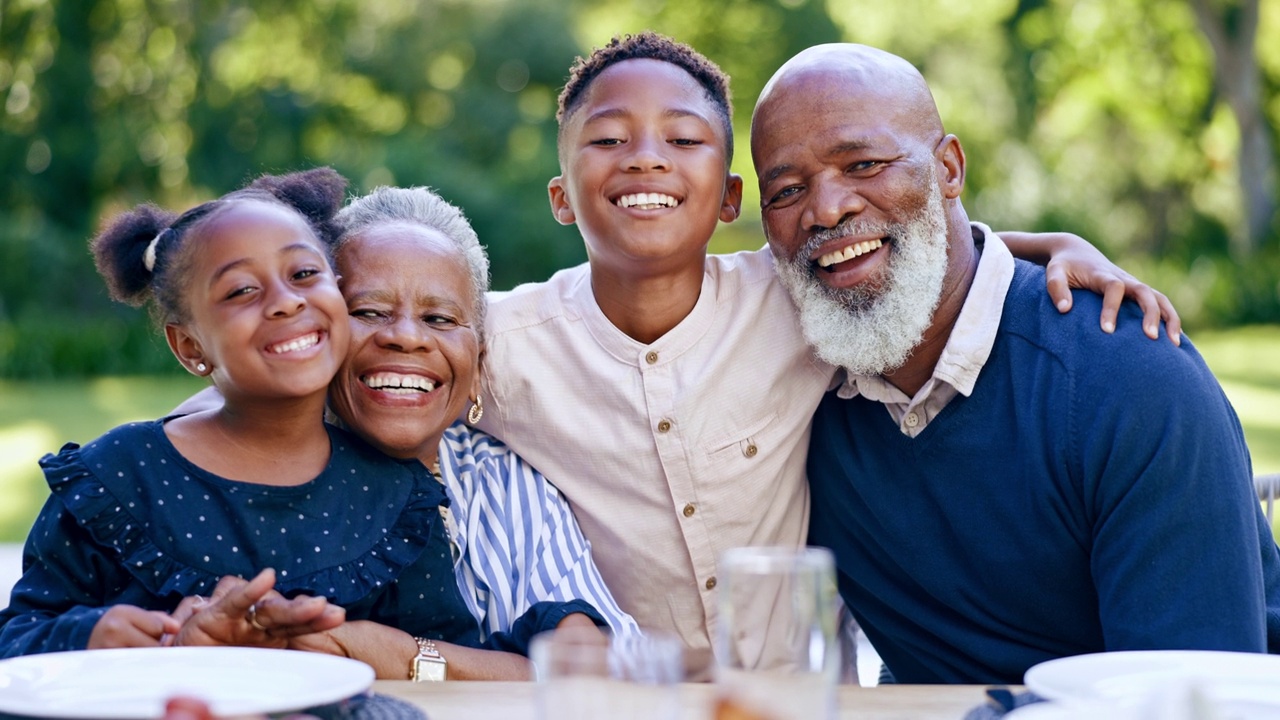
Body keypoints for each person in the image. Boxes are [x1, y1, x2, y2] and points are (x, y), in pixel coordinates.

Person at [474, 31, 1182, 679]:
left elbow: (909, 254)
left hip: (807, 702)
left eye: (684, 138)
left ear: (729, 200)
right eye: (608, 140)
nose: (647, 157)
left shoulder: (792, 305)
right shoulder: (500, 350)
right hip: (633, 703)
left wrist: (1055, 246)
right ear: (561, 198)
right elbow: (408, 336)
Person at [749, 42, 1280, 684]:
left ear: (949, 169)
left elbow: (1193, 699)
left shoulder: (1128, 381)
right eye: (786, 190)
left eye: (863, 163)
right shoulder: (786, 380)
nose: (826, 209)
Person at [0, 168, 604, 677]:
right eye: (240, 291)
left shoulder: (395, 499)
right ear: (189, 348)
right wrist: (100, 639)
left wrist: (562, 626)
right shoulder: (118, 474)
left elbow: (447, 662)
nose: (285, 301)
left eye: (305, 274)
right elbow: (19, 637)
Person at [281, 183, 639, 679]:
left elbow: (606, 668)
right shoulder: (263, 469)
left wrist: (402, 657)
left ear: (478, 364)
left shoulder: (503, 481)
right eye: (368, 311)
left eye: (439, 318)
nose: (406, 336)